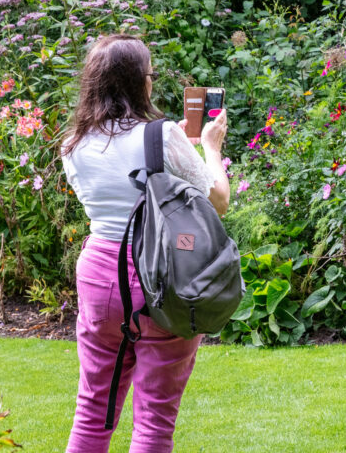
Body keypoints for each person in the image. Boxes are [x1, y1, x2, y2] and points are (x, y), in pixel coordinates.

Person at [60, 34, 230, 452]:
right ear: (139, 81)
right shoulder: (163, 135)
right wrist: (210, 148)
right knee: (154, 420)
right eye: (150, 74)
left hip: (100, 274)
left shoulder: (73, 144)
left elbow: (117, 186)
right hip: (160, 276)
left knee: (93, 408)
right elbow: (219, 200)